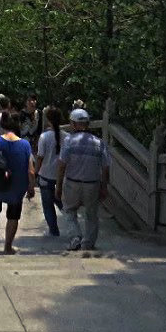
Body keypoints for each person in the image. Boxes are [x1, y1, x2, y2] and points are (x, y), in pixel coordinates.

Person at [0, 111, 35, 253]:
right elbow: (31, 171)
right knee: (13, 215)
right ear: (18, 126)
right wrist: (31, 187)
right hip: (17, 186)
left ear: (3, 125)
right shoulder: (25, 145)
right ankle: (8, 247)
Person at [56, 107, 111, 250]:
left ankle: (75, 237)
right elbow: (105, 167)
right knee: (91, 215)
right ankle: (88, 243)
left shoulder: (68, 141)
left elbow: (62, 165)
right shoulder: (99, 142)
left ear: (74, 124)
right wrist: (104, 187)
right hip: (92, 184)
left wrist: (58, 186)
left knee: (69, 211)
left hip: (72, 183)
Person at [32, 105, 64, 237]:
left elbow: (40, 158)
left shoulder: (44, 137)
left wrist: (34, 174)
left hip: (45, 175)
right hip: (61, 176)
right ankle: (72, 222)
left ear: (48, 119)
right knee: (62, 202)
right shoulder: (66, 136)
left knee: (47, 204)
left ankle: (54, 230)